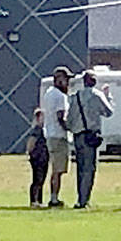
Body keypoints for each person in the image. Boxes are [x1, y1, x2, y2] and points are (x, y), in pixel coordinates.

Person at [67, 68, 114, 210]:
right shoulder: (97, 95)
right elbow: (108, 112)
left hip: (78, 135)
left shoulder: (75, 97)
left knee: (80, 168)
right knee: (89, 169)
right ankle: (83, 200)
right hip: (90, 135)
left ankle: (79, 197)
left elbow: (70, 118)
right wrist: (108, 97)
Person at [41, 65, 73, 208]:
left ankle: (53, 197)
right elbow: (61, 117)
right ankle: (54, 199)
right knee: (58, 170)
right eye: (66, 79)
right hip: (59, 136)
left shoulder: (48, 93)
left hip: (49, 134)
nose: (68, 83)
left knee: (55, 169)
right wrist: (70, 128)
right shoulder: (60, 96)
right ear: (59, 80)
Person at [24, 108, 49, 209]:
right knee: (37, 179)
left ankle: (39, 200)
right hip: (37, 157)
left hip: (43, 157)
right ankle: (34, 200)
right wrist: (30, 153)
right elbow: (31, 142)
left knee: (41, 179)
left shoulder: (44, 130)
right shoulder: (36, 130)